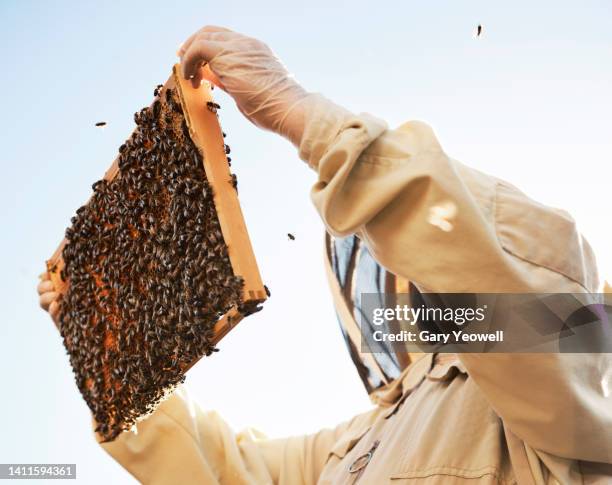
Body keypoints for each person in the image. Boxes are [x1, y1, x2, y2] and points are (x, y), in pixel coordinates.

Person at [38, 26, 612, 484]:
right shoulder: (347, 450)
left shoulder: (561, 386)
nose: (391, 268)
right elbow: (218, 469)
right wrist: (99, 329)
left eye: (397, 241)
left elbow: (523, 292)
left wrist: (308, 118)